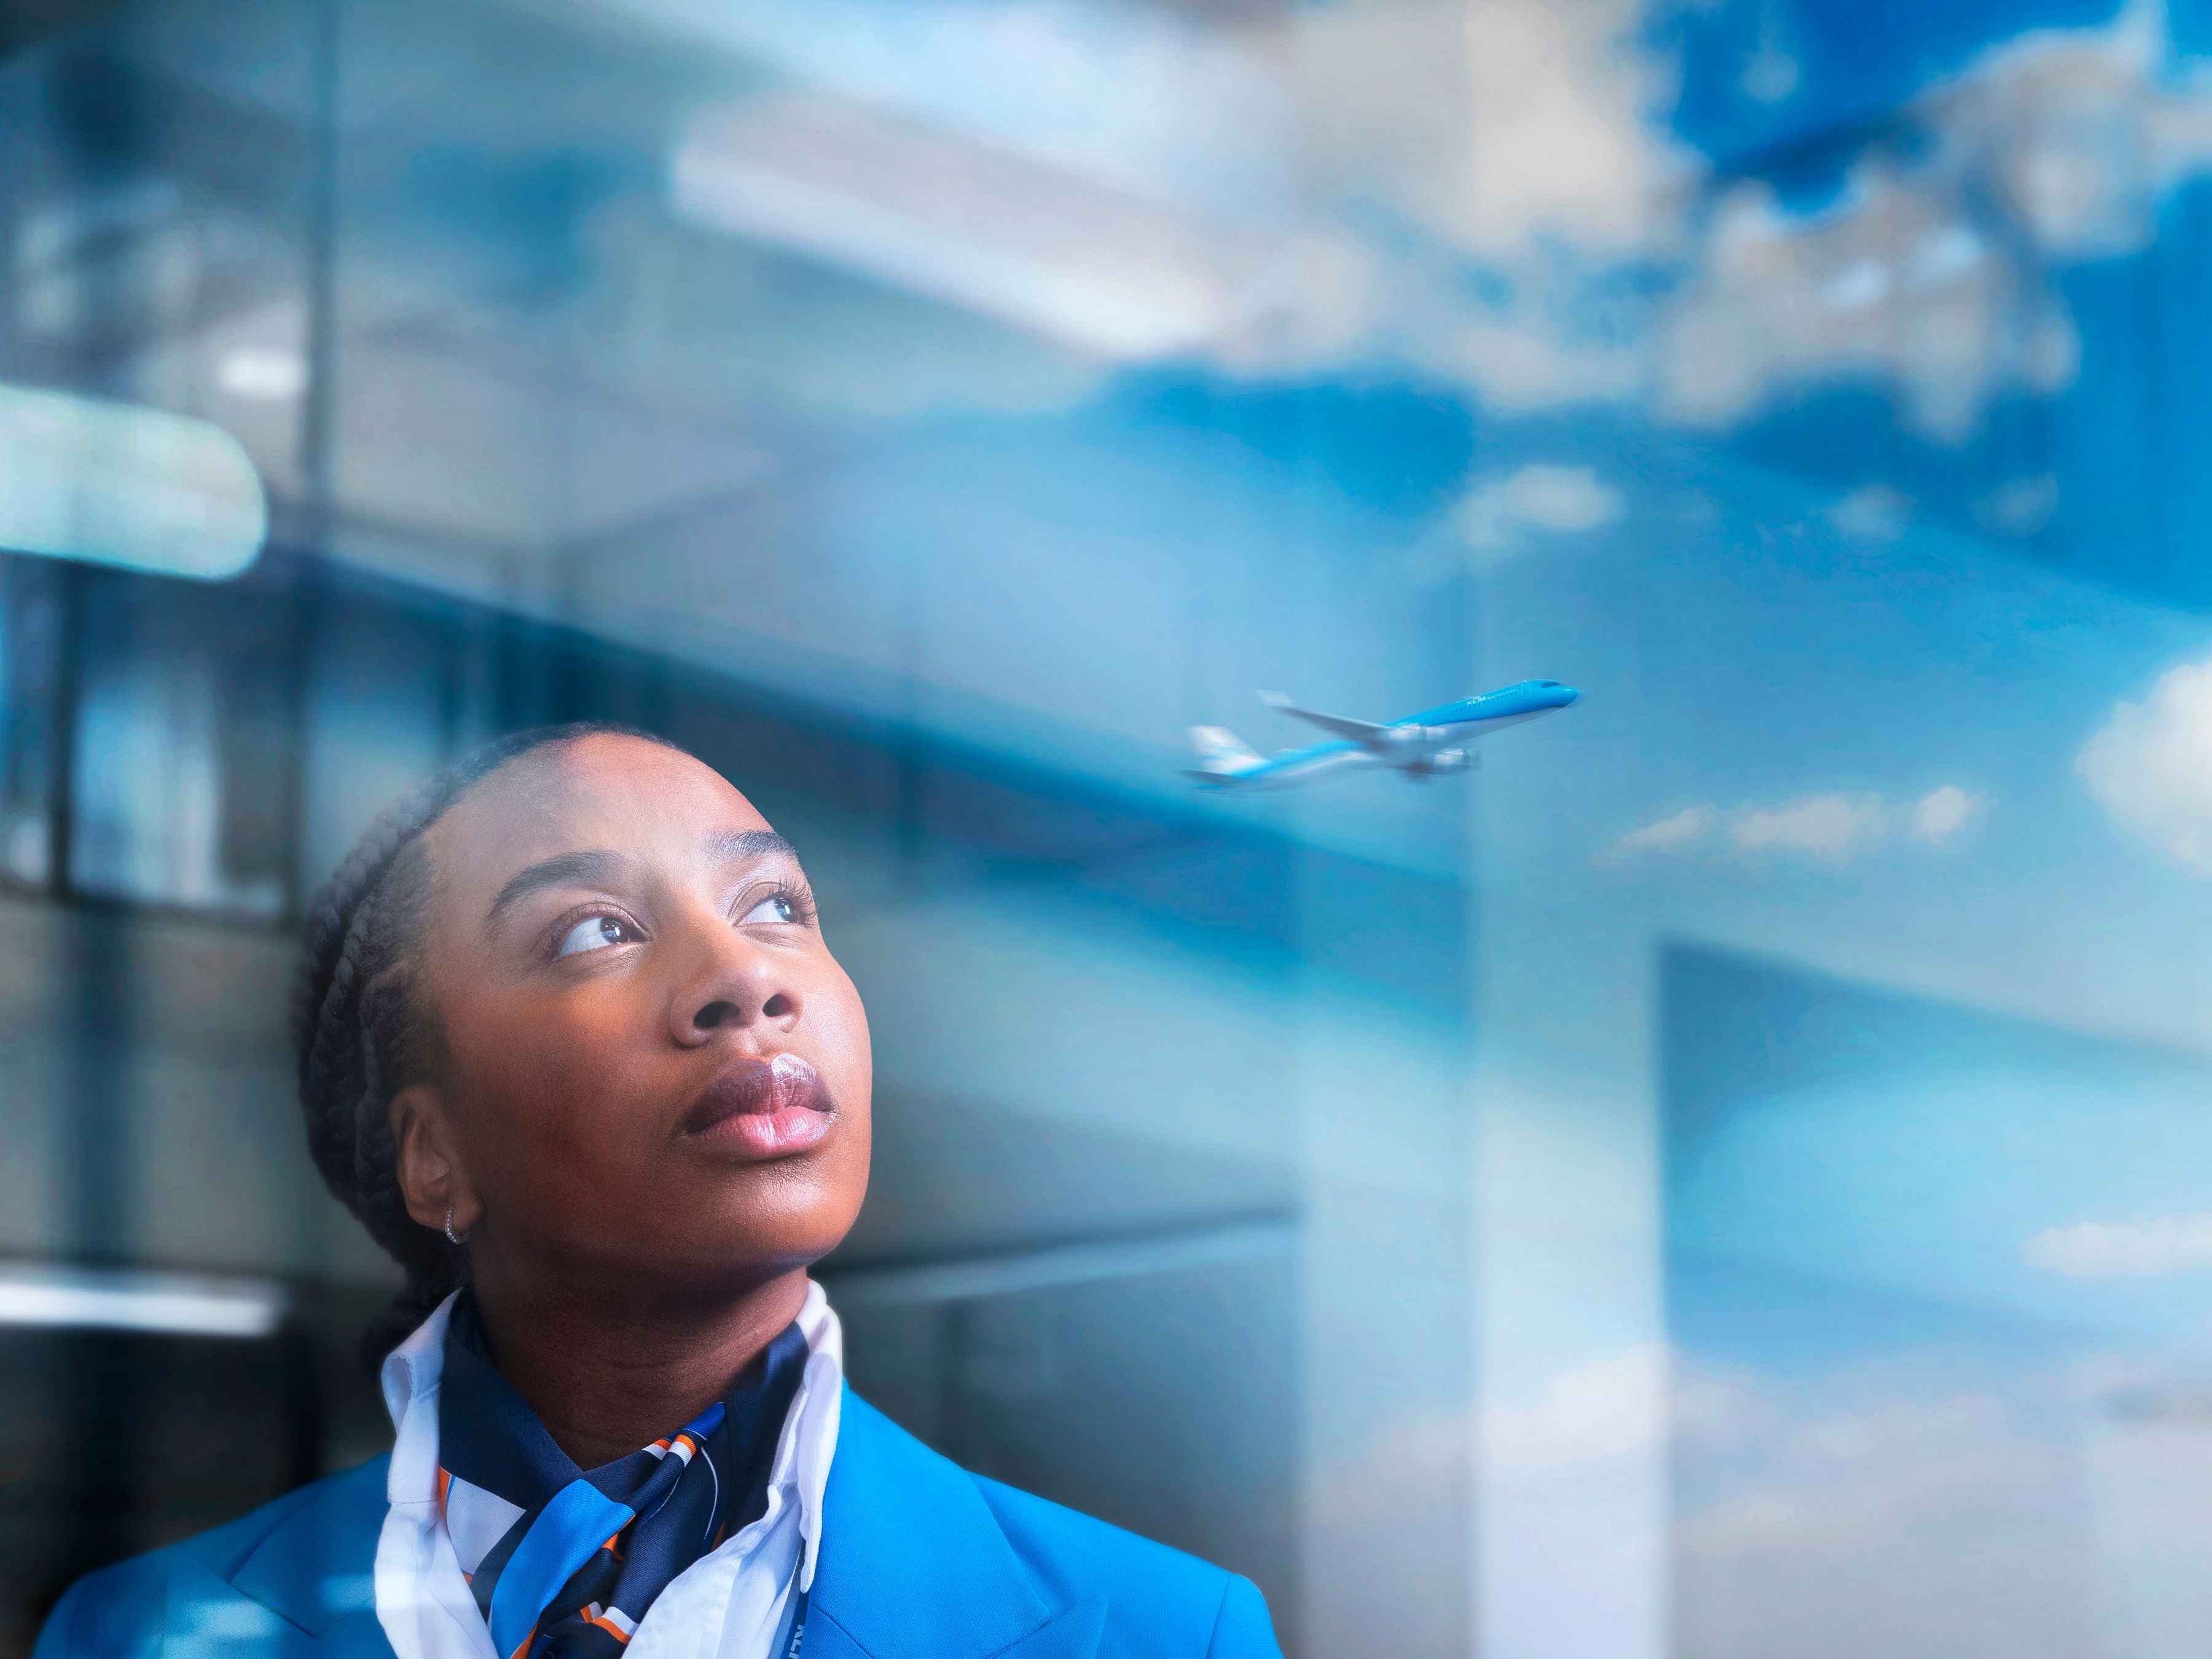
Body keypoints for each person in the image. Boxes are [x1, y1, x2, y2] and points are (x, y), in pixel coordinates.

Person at [34, 724, 1282, 1659]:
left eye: (778, 904)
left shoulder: (1169, 1634)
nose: (746, 975)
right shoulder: (131, 1635)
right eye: (596, 932)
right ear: (434, 1157)